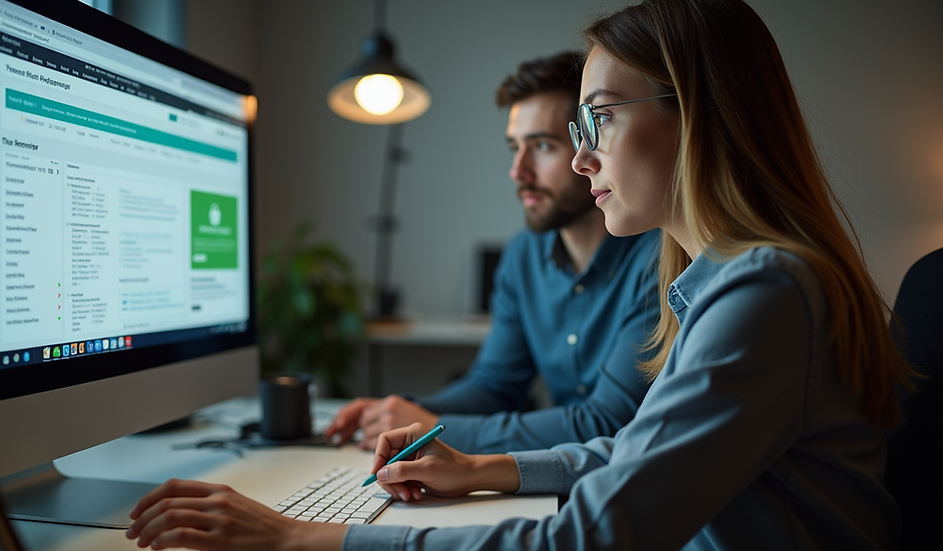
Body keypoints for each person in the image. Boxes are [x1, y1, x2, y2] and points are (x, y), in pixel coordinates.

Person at [126, 0, 916, 549]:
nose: (581, 156)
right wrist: (479, 467)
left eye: (600, 117)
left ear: (697, 114)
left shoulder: (763, 292)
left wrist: (304, 537)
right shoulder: (724, 282)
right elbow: (637, 451)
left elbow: (591, 534)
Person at [324, 52, 661, 453]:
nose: (518, 171)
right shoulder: (523, 255)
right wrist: (404, 413)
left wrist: (436, 429)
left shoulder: (660, 258)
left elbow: (608, 423)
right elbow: (495, 385)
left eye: (542, 145)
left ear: (589, 140)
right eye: (515, 147)